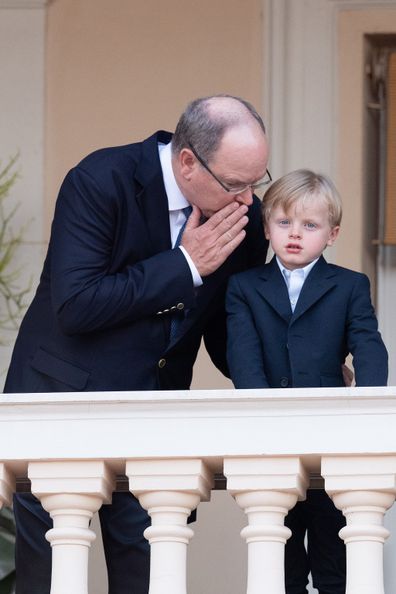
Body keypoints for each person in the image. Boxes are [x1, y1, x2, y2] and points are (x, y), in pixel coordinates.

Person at [4, 94, 271, 593]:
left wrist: (294, 366)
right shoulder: (100, 179)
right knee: (47, 580)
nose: (247, 200)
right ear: (188, 161)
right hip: (59, 408)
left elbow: (227, 333)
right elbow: (76, 303)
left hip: (156, 420)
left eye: (257, 182)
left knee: (151, 578)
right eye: (235, 184)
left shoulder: (244, 221)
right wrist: (185, 266)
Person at [226, 169, 388, 594]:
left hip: (332, 438)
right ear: (266, 228)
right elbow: (244, 358)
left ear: (332, 234)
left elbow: (369, 348)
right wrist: (264, 418)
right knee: (279, 561)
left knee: (335, 559)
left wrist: (368, 413)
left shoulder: (350, 285)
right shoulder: (243, 287)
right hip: (270, 439)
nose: (295, 234)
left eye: (309, 225)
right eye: (283, 223)